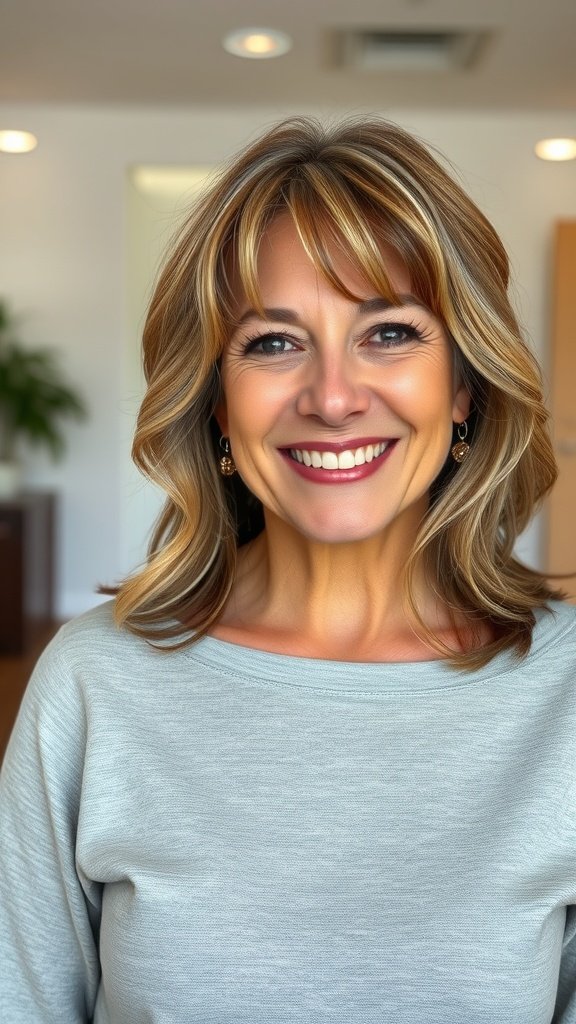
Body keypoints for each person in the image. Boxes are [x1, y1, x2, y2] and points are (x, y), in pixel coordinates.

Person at [1, 116, 575, 1024]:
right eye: (273, 343)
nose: (334, 396)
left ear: (463, 389)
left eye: (388, 332)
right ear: (220, 408)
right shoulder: (94, 683)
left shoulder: (565, 692)